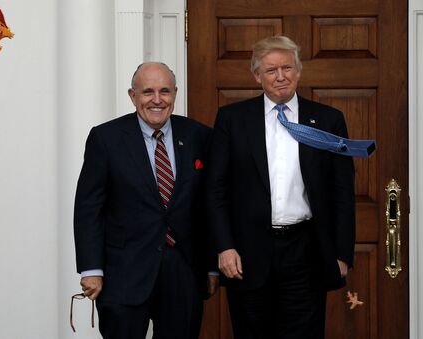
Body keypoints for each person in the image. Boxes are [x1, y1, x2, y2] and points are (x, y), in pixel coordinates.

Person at [206, 35, 356, 338]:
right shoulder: (232, 119)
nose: (280, 77)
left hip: (306, 252)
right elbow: (215, 189)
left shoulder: (328, 120)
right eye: (271, 70)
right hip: (247, 255)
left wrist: (341, 253)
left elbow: (342, 191)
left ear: (298, 71)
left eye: (287, 68)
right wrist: (224, 246)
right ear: (257, 76)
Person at [74, 62, 217, 339]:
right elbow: (88, 207)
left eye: (165, 91)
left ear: (174, 94)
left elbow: (209, 205)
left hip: (183, 269)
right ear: (132, 96)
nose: (157, 99)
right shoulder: (106, 138)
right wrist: (91, 268)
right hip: (124, 271)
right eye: (147, 91)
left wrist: (211, 264)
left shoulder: (200, 136)